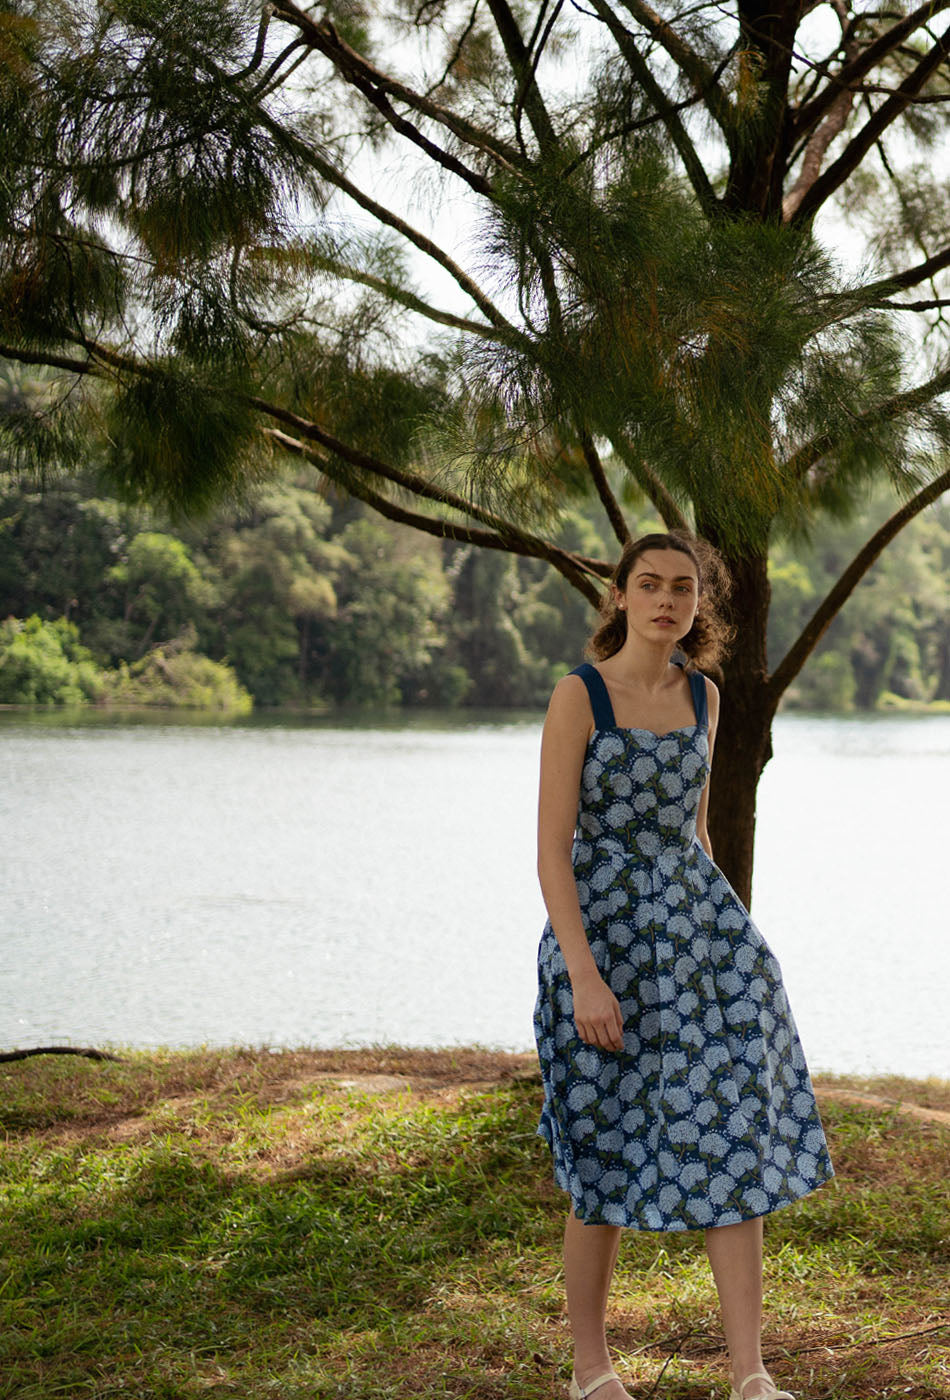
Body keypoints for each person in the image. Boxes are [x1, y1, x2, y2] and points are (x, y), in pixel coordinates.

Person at [534, 531, 833, 1400]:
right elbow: (554, 852)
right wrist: (584, 976)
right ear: (620, 596)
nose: (668, 600)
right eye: (650, 584)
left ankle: (751, 1376)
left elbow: (697, 835)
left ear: (700, 604)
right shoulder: (578, 697)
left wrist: (732, 941)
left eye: (685, 588)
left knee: (733, 1137)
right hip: (607, 944)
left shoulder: (704, 696)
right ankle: (592, 1369)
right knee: (604, 1147)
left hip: (704, 946)